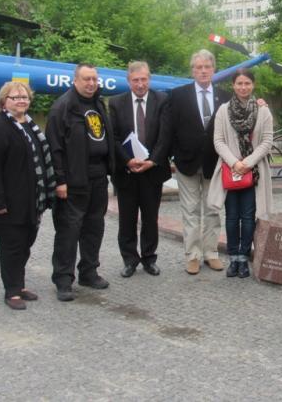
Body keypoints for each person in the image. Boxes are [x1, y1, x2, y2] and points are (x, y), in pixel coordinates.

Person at [0, 82, 55, 310]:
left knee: (25, 244)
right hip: (9, 203)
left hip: (31, 201)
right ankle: (11, 291)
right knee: (11, 247)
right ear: (4, 102)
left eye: (25, 97)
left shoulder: (30, 126)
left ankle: (19, 284)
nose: (21, 101)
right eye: (15, 97)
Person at [46, 63, 115, 301]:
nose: (90, 83)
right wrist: (60, 180)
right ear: (75, 81)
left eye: (94, 79)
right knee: (69, 230)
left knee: (94, 226)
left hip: (98, 176)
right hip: (73, 179)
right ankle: (63, 279)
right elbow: (54, 148)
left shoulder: (98, 103)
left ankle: (89, 271)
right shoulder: (62, 107)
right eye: (86, 79)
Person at [169, 50, 231, 274]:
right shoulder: (177, 95)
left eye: (207, 67)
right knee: (191, 211)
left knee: (213, 210)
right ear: (192, 70)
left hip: (214, 164)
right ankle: (192, 255)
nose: (203, 71)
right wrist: (172, 156)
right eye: (198, 67)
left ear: (213, 70)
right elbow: (170, 128)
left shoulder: (225, 97)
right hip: (186, 163)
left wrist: (260, 104)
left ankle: (211, 253)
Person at [208, 68, 274, 278]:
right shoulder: (223, 110)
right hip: (230, 170)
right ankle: (233, 257)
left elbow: (267, 141)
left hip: (253, 172)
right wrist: (234, 162)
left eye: (247, 83)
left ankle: (244, 258)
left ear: (252, 85)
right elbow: (218, 140)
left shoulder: (263, 111)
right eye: (239, 83)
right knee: (231, 216)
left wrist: (248, 162)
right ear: (233, 86)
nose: (243, 87)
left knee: (248, 217)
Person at [108, 61, 172, 278]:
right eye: (136, 80)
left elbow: (165, 136)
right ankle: (129, 260)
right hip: (127, 172)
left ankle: (149, 258)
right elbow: (113, 137)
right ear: (128, 81)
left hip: (152, 171)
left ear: (149, 79)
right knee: (126, 219)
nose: (140, 84)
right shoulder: (116, 103)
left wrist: (152, 161)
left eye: (144, 79)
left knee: (150, 218)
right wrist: (127, 161)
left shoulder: (161, 100)